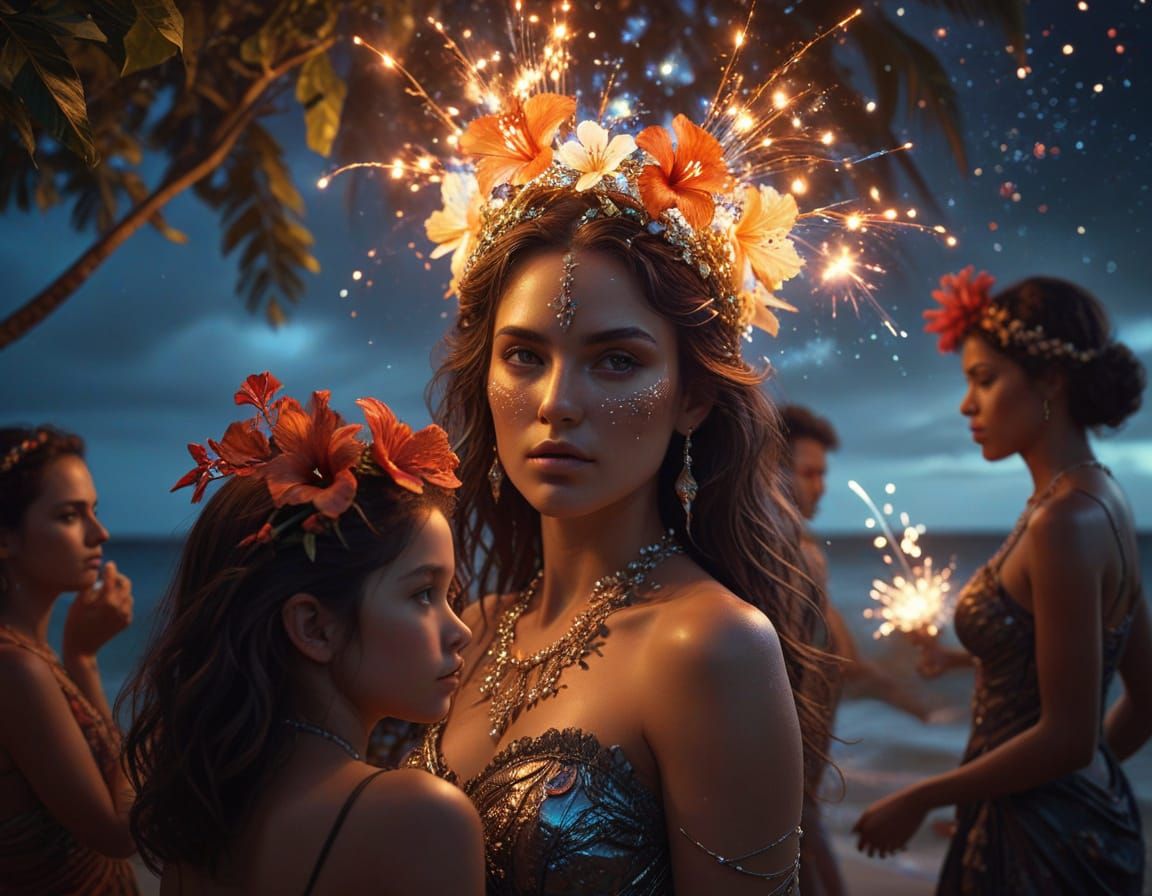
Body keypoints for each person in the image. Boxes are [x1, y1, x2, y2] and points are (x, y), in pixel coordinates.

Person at [406, 93, 834, 895]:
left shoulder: (711, 646)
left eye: (616, 361)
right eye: (525, 356)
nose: (556, 402)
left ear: (692, 399)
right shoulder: (474, 627)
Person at [119, 374, 484, 895]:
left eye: (450, 595)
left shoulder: (203, 822)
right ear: (313, 627)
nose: (461, 630)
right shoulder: (421, 818)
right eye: (423, 594)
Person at [854, 270, 1151, 894]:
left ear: (1051, 381)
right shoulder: (1101, 498)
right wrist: (1024, 796)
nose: (967, 405)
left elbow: (1069, 739)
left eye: (984, 381)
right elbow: (1133, 692)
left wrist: (922, 797)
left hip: (1044, 860)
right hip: (1067, 825)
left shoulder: (1064, 522)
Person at [779, 404, 932, 896]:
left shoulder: (807, 555)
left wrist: (916, 699)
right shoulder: (779, 557)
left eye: (824, 473)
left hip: (806, 780)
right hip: (784, 780)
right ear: (768, 468)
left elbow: (845, 661)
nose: (820, 486)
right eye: (808, 472)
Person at [0, 425, 138, 894]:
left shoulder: (26, 654)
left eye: (94, 512)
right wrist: (83, 658)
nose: (100, 533)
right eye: (68, 516)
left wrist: (81, 653)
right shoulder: (16, 669)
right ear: (6, 537)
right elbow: (118, 833)